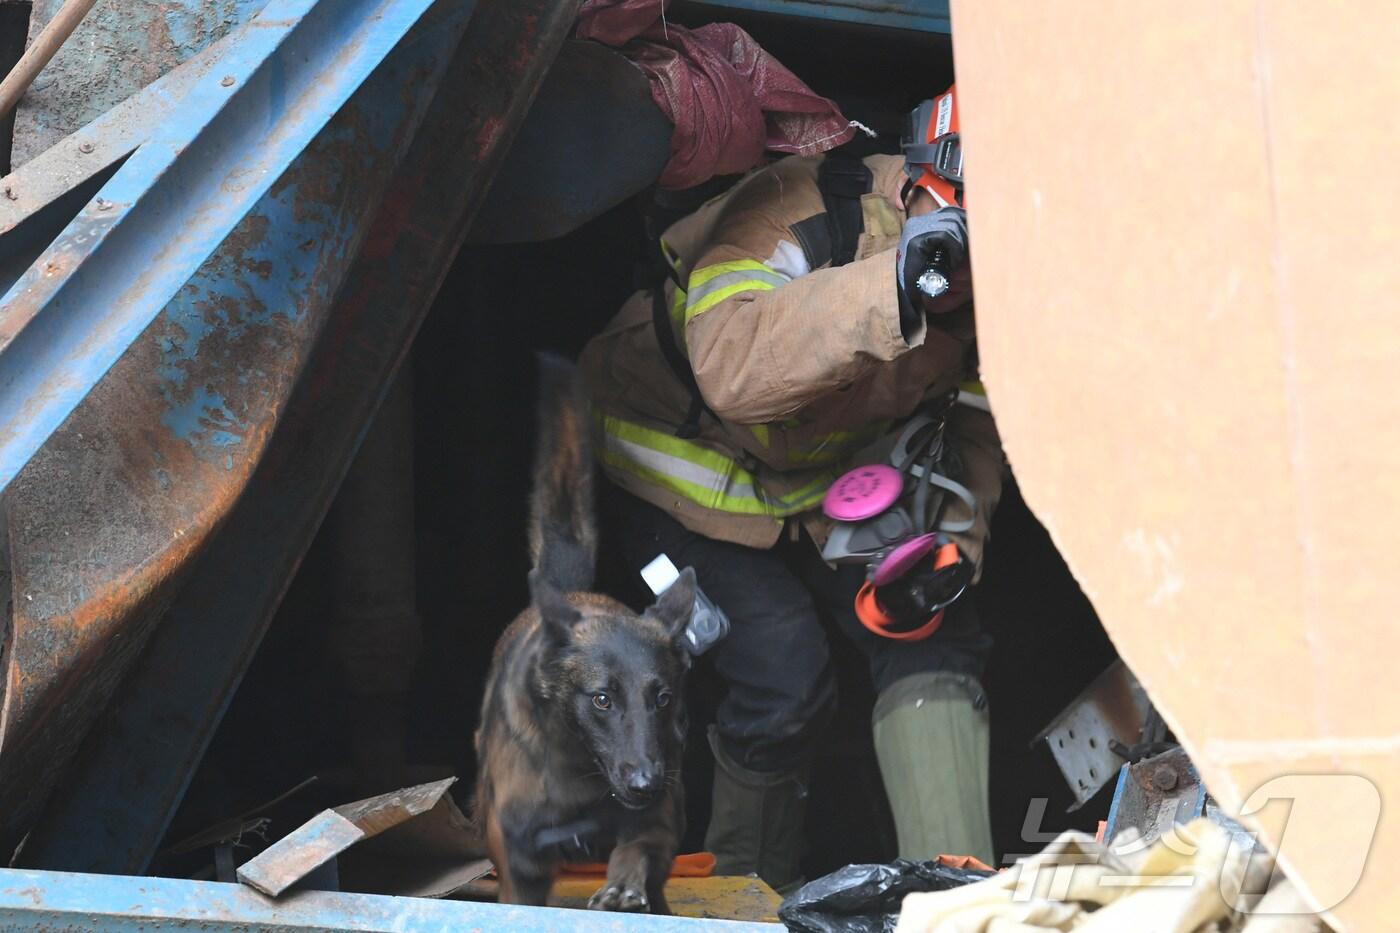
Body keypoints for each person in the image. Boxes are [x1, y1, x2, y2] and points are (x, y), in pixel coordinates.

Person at [579, 86, 1007, 891]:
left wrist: (953, 540)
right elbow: (734, 366)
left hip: (819, 485)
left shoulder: (1002, 291)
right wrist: (896, 287)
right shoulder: (798, 208)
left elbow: (979, 424)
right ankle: (742, 893)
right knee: (783, 673)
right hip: (678, 482)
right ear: (932, 189)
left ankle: (959, 897)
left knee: (931, 631)